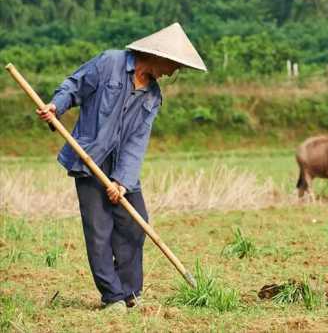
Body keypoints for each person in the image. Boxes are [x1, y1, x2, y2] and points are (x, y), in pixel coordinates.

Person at [36, 23, 207, 311]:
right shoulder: (109, 63)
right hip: (89, 157)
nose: (172, 72)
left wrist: (122, 182)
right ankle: (112, 297)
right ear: (157, 56)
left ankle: (130, 294)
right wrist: (56, 106)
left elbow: (136, 143)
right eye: (173, 65)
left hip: (122, 167)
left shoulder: (153, 97)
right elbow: (74, 86)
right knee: (99, 229)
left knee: (134, 224)